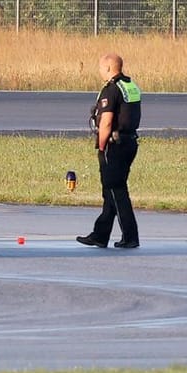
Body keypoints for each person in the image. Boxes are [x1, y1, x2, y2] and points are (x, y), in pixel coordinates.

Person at [77, 52, 142, 250]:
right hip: (130, 142)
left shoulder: (111, 89)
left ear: (108, 68)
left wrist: (102, 145)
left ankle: (130, 236)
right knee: (110, 191)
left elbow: (106, 122)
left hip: (114, 145)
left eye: (100, 68)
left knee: (116, 191)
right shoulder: (130, 86)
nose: (99, 71)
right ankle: (100, 234)